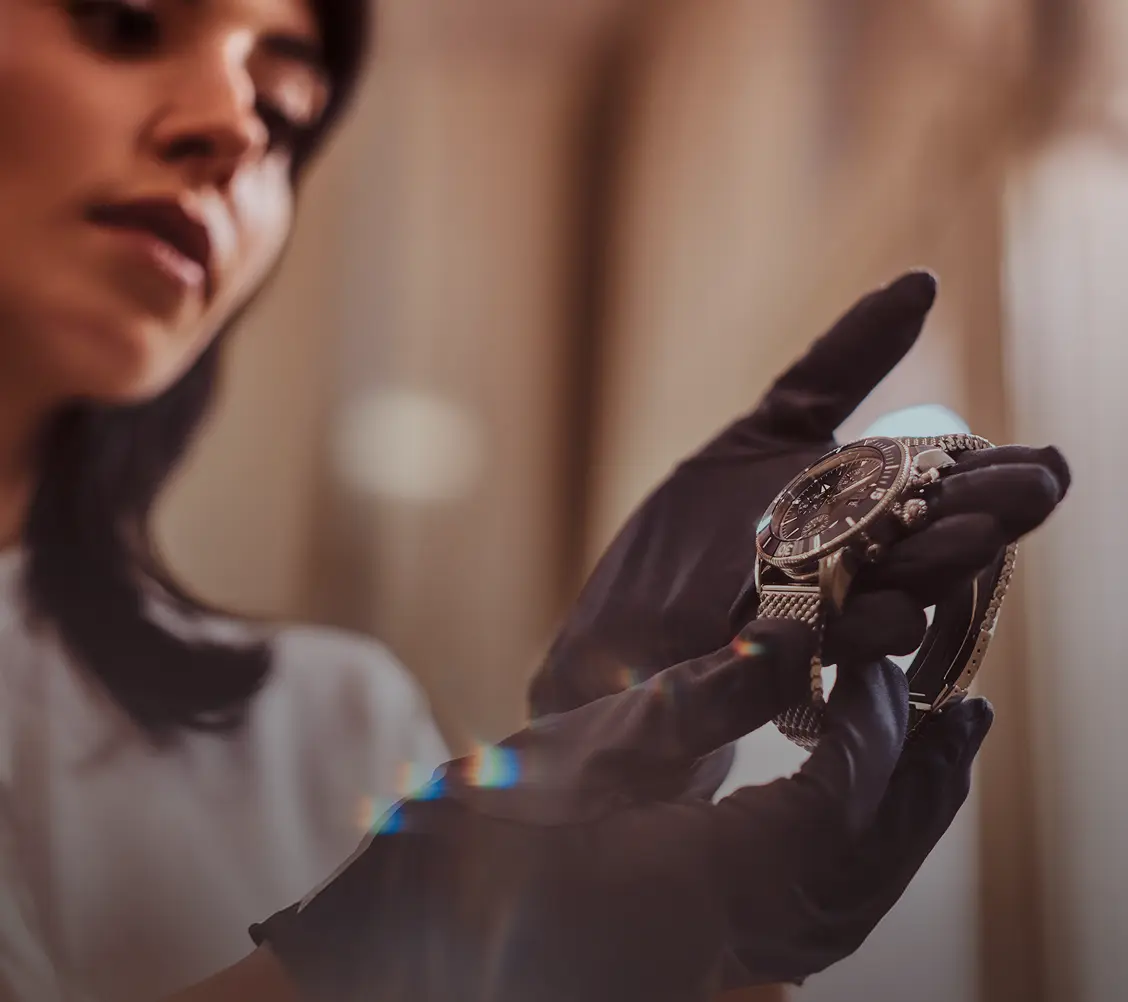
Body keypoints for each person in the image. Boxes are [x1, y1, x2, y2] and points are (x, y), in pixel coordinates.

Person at [0, 0, 1070, 997]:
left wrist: (695, 939)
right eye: (126, 22)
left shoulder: (330, 720)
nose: (235, 130)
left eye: (282, 113)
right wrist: (365, 959)